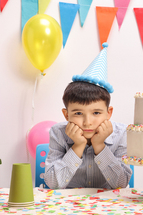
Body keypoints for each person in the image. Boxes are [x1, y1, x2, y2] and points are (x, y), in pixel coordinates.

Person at [44, 43, 132, 189]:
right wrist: (78, 146)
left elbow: (121, 184)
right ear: (66, 115)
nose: (87, 122)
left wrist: (99, 146)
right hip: (69, 205)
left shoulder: (121, 133)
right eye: (78, 113)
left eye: (96, 113)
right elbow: (53, 184)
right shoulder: (58, 133)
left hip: (108, 206)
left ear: (108, 113)